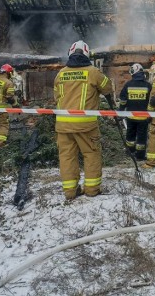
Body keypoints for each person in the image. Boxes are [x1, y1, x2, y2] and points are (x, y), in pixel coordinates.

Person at [54, 40, 113, 200]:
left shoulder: (60, 73)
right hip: (85, 125)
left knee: (66, 157)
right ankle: (92, 190)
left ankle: (70, 192)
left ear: (70, 53)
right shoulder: (93, 72)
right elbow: (108, 87)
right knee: (91, 154)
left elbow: (56, 96)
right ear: (87, 54)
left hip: (63, 125)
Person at [119, 63, 152, 160]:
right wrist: (151, 115)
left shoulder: (128, 85)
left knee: (130, 135)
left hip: (131, 117)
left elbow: (123, 100)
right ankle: (140, 156)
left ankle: (130, 151)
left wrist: (121, 111)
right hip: (143, 118)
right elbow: (152, 101)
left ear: (133, 73)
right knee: (142, 137)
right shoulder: (148, 86)